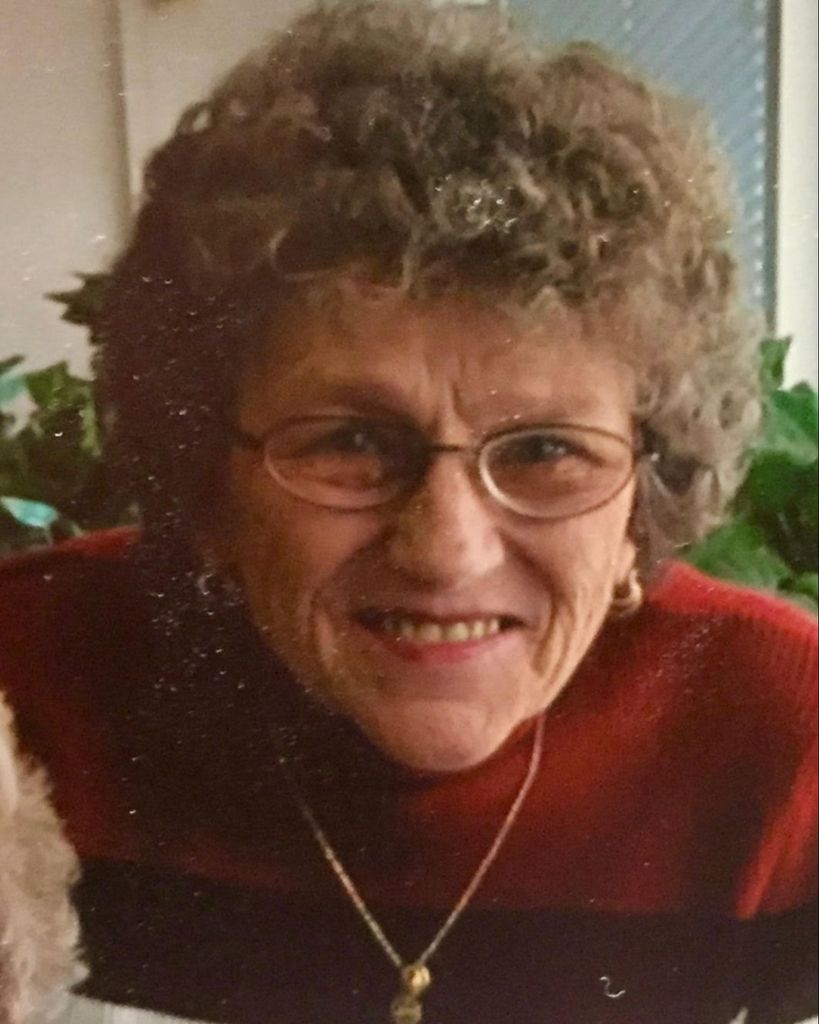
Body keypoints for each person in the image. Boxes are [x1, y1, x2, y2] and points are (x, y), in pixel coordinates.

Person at [0, 2, 816, 1021]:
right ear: (209, 485)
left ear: (639, 513)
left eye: (547, 451)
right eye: (350, 442)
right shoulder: (28, 685)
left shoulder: (786, 740)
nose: (445, 550)